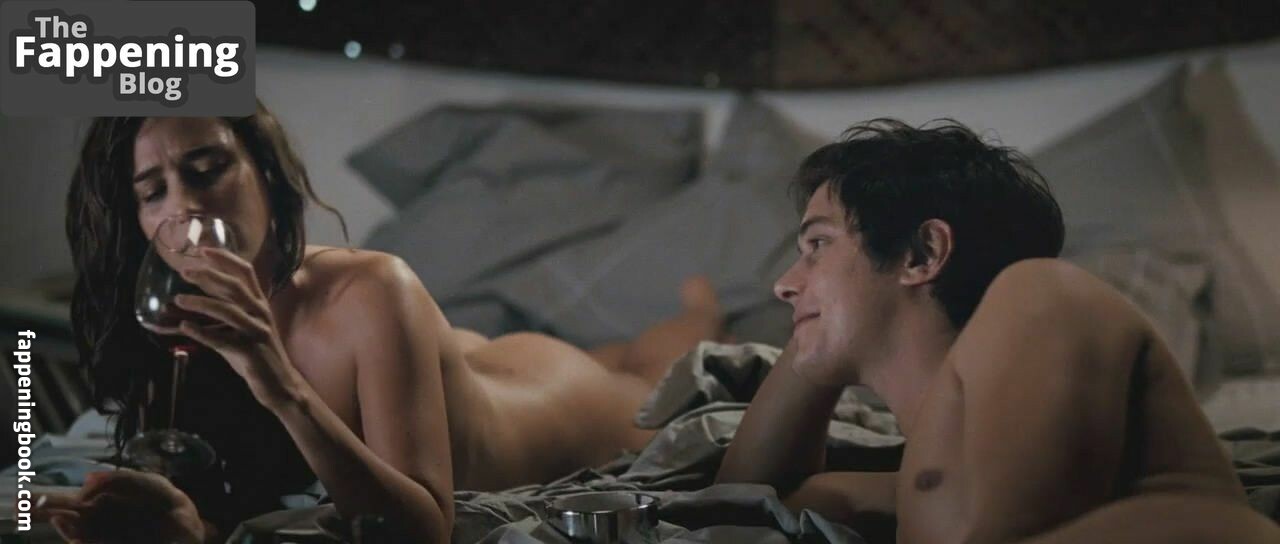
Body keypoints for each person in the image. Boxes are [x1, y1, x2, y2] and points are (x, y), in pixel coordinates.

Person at [35, 103, 725, 543]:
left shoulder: (372, 288)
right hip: (460, 366)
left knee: (644, 368)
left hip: (555, 400)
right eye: (153, 192)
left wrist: (277, 380)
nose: (186, 208)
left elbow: (422, 531)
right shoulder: (170, 321)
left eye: (209, 168)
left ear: (264, 173)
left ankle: (703, 306)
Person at [717, 119, 1280, 543]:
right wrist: (816, 324)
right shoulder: (923, 479)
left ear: (921, 253)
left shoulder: (1042, 294)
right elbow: (746, 503)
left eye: (817, 244)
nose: (783, 285)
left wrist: (823, 313)